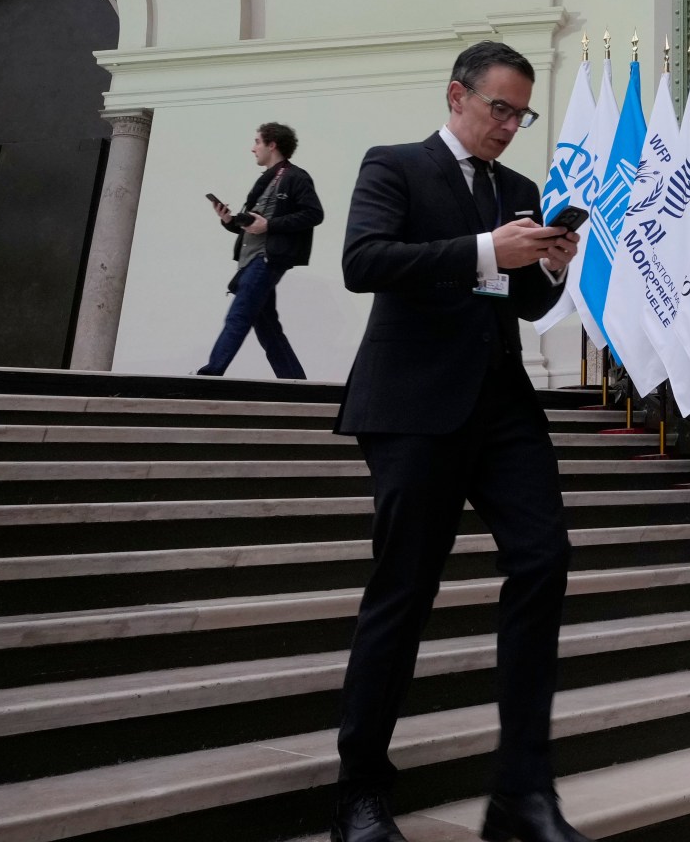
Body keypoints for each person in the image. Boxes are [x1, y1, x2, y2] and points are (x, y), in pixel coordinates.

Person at [331, 41, 584, 842]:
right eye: (498, 108)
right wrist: (486, 250)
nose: (509, 126)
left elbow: (521, 308)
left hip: (503, 406)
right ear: (457, 95)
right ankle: (360, 795)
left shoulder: (518, 188)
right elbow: (363, 262)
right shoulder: (396, 166)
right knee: (404, 591)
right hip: (411, 405)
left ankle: (521, 795)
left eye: (521, 113)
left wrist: (547, 269)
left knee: (544, 561)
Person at [200, 122, 324, 379]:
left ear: (272, 145)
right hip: (252, 260)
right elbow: (255, 226)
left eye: (257, 142)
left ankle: (210, 375)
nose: (252, 148)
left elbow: (314, 214)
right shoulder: (267, 181)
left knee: (239, 315)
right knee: (268, 328)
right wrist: (230, 221)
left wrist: (270, 224)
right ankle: (294, 381)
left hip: (266, 259)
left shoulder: (294, 177)